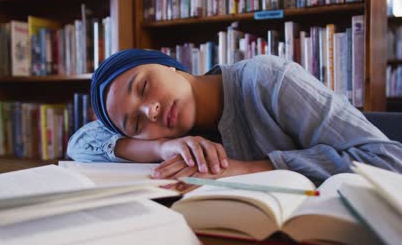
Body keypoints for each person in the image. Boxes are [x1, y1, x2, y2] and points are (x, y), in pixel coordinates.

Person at [67, 49, 402, 185]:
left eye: (143, 87)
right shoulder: (171, 138)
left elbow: (388, 161)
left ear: (166, 63)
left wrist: (248, 169)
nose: (150, 110)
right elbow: (79, 143)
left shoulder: (268, 79)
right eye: (137, 124)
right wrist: (160, 149)